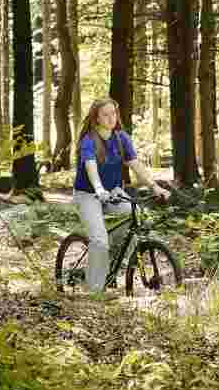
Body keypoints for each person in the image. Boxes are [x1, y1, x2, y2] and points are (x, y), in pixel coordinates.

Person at [72, 97, 171, 292]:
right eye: (105, 114)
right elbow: (90, 166)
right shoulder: (89, 140)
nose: (111, 118)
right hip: (88, 194)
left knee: (135, 214)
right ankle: (94, 292)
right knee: (99, 241)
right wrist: (99, 189)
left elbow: (136, 165)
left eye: (113, 113)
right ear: (96, 118)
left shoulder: (121, 138)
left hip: (113, 192)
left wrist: (154, 187)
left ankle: (109, 257)